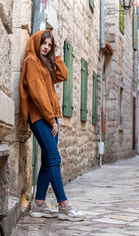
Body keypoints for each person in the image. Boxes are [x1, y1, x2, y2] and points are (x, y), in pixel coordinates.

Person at [19, 30, 86, 222]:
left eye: (49, 44)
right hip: (40, 118)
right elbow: (38, 94)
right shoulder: (31, 61)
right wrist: (50, 119)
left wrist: (55, 55)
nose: (46, 47)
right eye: (44, 43)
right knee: (55, 158)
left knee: (49, 161)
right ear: (35, 43)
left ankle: (39, 204)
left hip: (51, 118)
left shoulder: (44, 64)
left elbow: (63, 75)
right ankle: (64, 206)